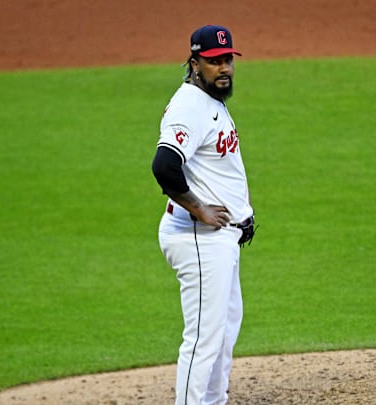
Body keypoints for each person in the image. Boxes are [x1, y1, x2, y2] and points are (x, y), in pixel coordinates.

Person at [151, 24, 256, 405]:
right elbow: (164, 166)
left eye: (228, 59)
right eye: (214, 61)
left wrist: (240, 218)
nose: (224, 67)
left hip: (218, 240)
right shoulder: (189, 106)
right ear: (195, 63)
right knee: (203, 340)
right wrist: (199, 209)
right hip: (198, 239)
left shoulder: (211, 101)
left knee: (224, 332)